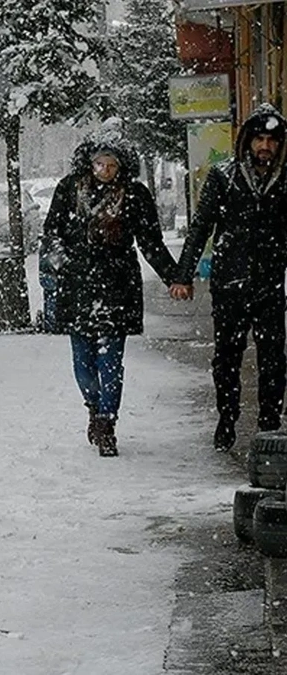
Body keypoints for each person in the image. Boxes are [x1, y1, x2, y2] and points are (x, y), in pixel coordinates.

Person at [43, 122, 185, 456]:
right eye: (99, 164)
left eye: (111, 165)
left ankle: (108, 422)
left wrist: (173, 276)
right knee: (82, 361)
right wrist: (64, 264)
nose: (105, 170)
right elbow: (50, 235)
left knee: (111, 360)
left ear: (121, 165)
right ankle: (93, 407)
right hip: (77, 287)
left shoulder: (135, 195)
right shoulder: (68, 189)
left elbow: (151, 242)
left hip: (116, 286)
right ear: (88, 162)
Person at [175, 103, 287, 452]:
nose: (264, 146)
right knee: (227, 356)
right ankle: (227, 418)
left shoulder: (284, 180)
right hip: (230, 283)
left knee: (273, 357)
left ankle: (269, 423)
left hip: (270, 282)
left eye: (271, 140)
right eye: (258, 139)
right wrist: (184, 274)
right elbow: (201, 227)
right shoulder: (224, 176)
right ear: (247, 141)